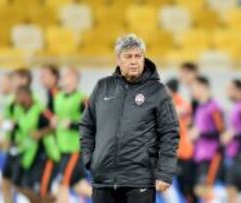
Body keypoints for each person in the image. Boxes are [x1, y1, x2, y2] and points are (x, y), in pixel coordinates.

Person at [79, 33, 180, 203]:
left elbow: (170, 133)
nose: (134, 61)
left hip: (140, 179)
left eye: (138, 56)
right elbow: (86, 125)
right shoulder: (103, 87)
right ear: (118, 60)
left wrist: (165, 173)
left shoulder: (157, 91)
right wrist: (91, 160)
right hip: (103, 180)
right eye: (128, 56)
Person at [52, 68, 92, 203]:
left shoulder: (81, 99)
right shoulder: (58, 97)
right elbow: (58, 118)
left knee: (62, 185)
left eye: (68, 76)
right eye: (64, 75)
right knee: (78, 185)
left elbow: (91, 123)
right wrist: (54, 121)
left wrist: (72, 124)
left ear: (75, 80)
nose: (64, 78)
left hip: (75, 149)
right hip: (61, 149)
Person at [0, 68, 33, 203]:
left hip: (26, 150)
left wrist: (10, 124)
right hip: (14, 148)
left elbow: (24, 123)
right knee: (5, 184)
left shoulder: (29, 99)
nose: (11, 83)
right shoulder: (12, 100)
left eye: (13, 80)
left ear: (24, 80)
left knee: (22, 187)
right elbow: (4, 122)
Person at [190, 76, 225, 201]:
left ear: (203, 87)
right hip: (201, 155)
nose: (192, 91)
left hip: (212, 155)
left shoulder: (214, 107)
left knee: (205, 190)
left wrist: (200, 133)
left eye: (194, 88)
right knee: (200, 190)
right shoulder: (199, 108)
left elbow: (222, 133)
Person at [166, 78, 196, 203]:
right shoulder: (185, 104)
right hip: (185, 152)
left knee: (180, 187)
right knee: (185, 187)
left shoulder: (169, 104)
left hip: (179, 153)